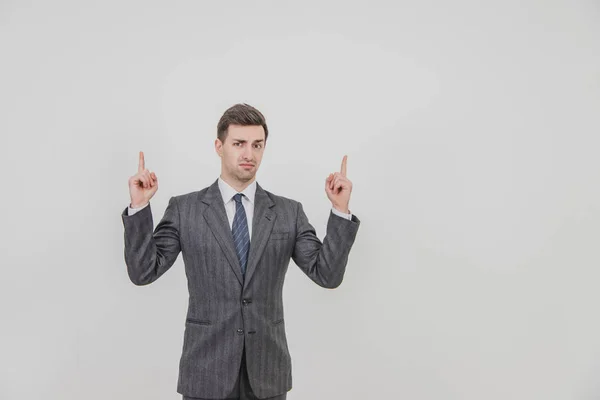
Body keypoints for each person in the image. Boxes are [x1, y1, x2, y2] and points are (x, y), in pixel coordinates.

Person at [121, 103, 361, 399]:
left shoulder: (288, 213)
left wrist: (340, 210)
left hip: (267, 373)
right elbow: (143, 271)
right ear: (219, 147)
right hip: (205, 370)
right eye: (239, 144)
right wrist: (140, 206)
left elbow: (328, 275)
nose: (249, 154)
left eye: (257, 145)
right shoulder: (185, 210)